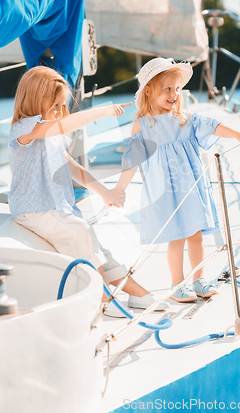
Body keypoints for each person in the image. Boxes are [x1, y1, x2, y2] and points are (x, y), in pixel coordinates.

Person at [8, 66, 169, 313]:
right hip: (33, 209)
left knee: (96, 245)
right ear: (36, 100)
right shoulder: (24, 128)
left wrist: (105, 193)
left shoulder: (52, 131)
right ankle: (102, 300)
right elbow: (59, 127)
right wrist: (102, 112)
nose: (60, 112)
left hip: (56, 207)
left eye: (63, 107)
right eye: (55, 106)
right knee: (82, 232)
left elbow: (70, 165)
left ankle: (134, 291)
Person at [113, 57, 240, 303]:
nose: (174, 94)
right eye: (167, 89)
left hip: (191, 187)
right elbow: (132, 161)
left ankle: (199, 279)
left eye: (177, 89)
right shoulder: (143, 126)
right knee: (177, 237)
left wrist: (237, 134)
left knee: (196, 234)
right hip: (167, 191)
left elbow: (213, 126)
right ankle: (177, 283)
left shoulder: (185, 119)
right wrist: (119, 190)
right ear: (149, 91)